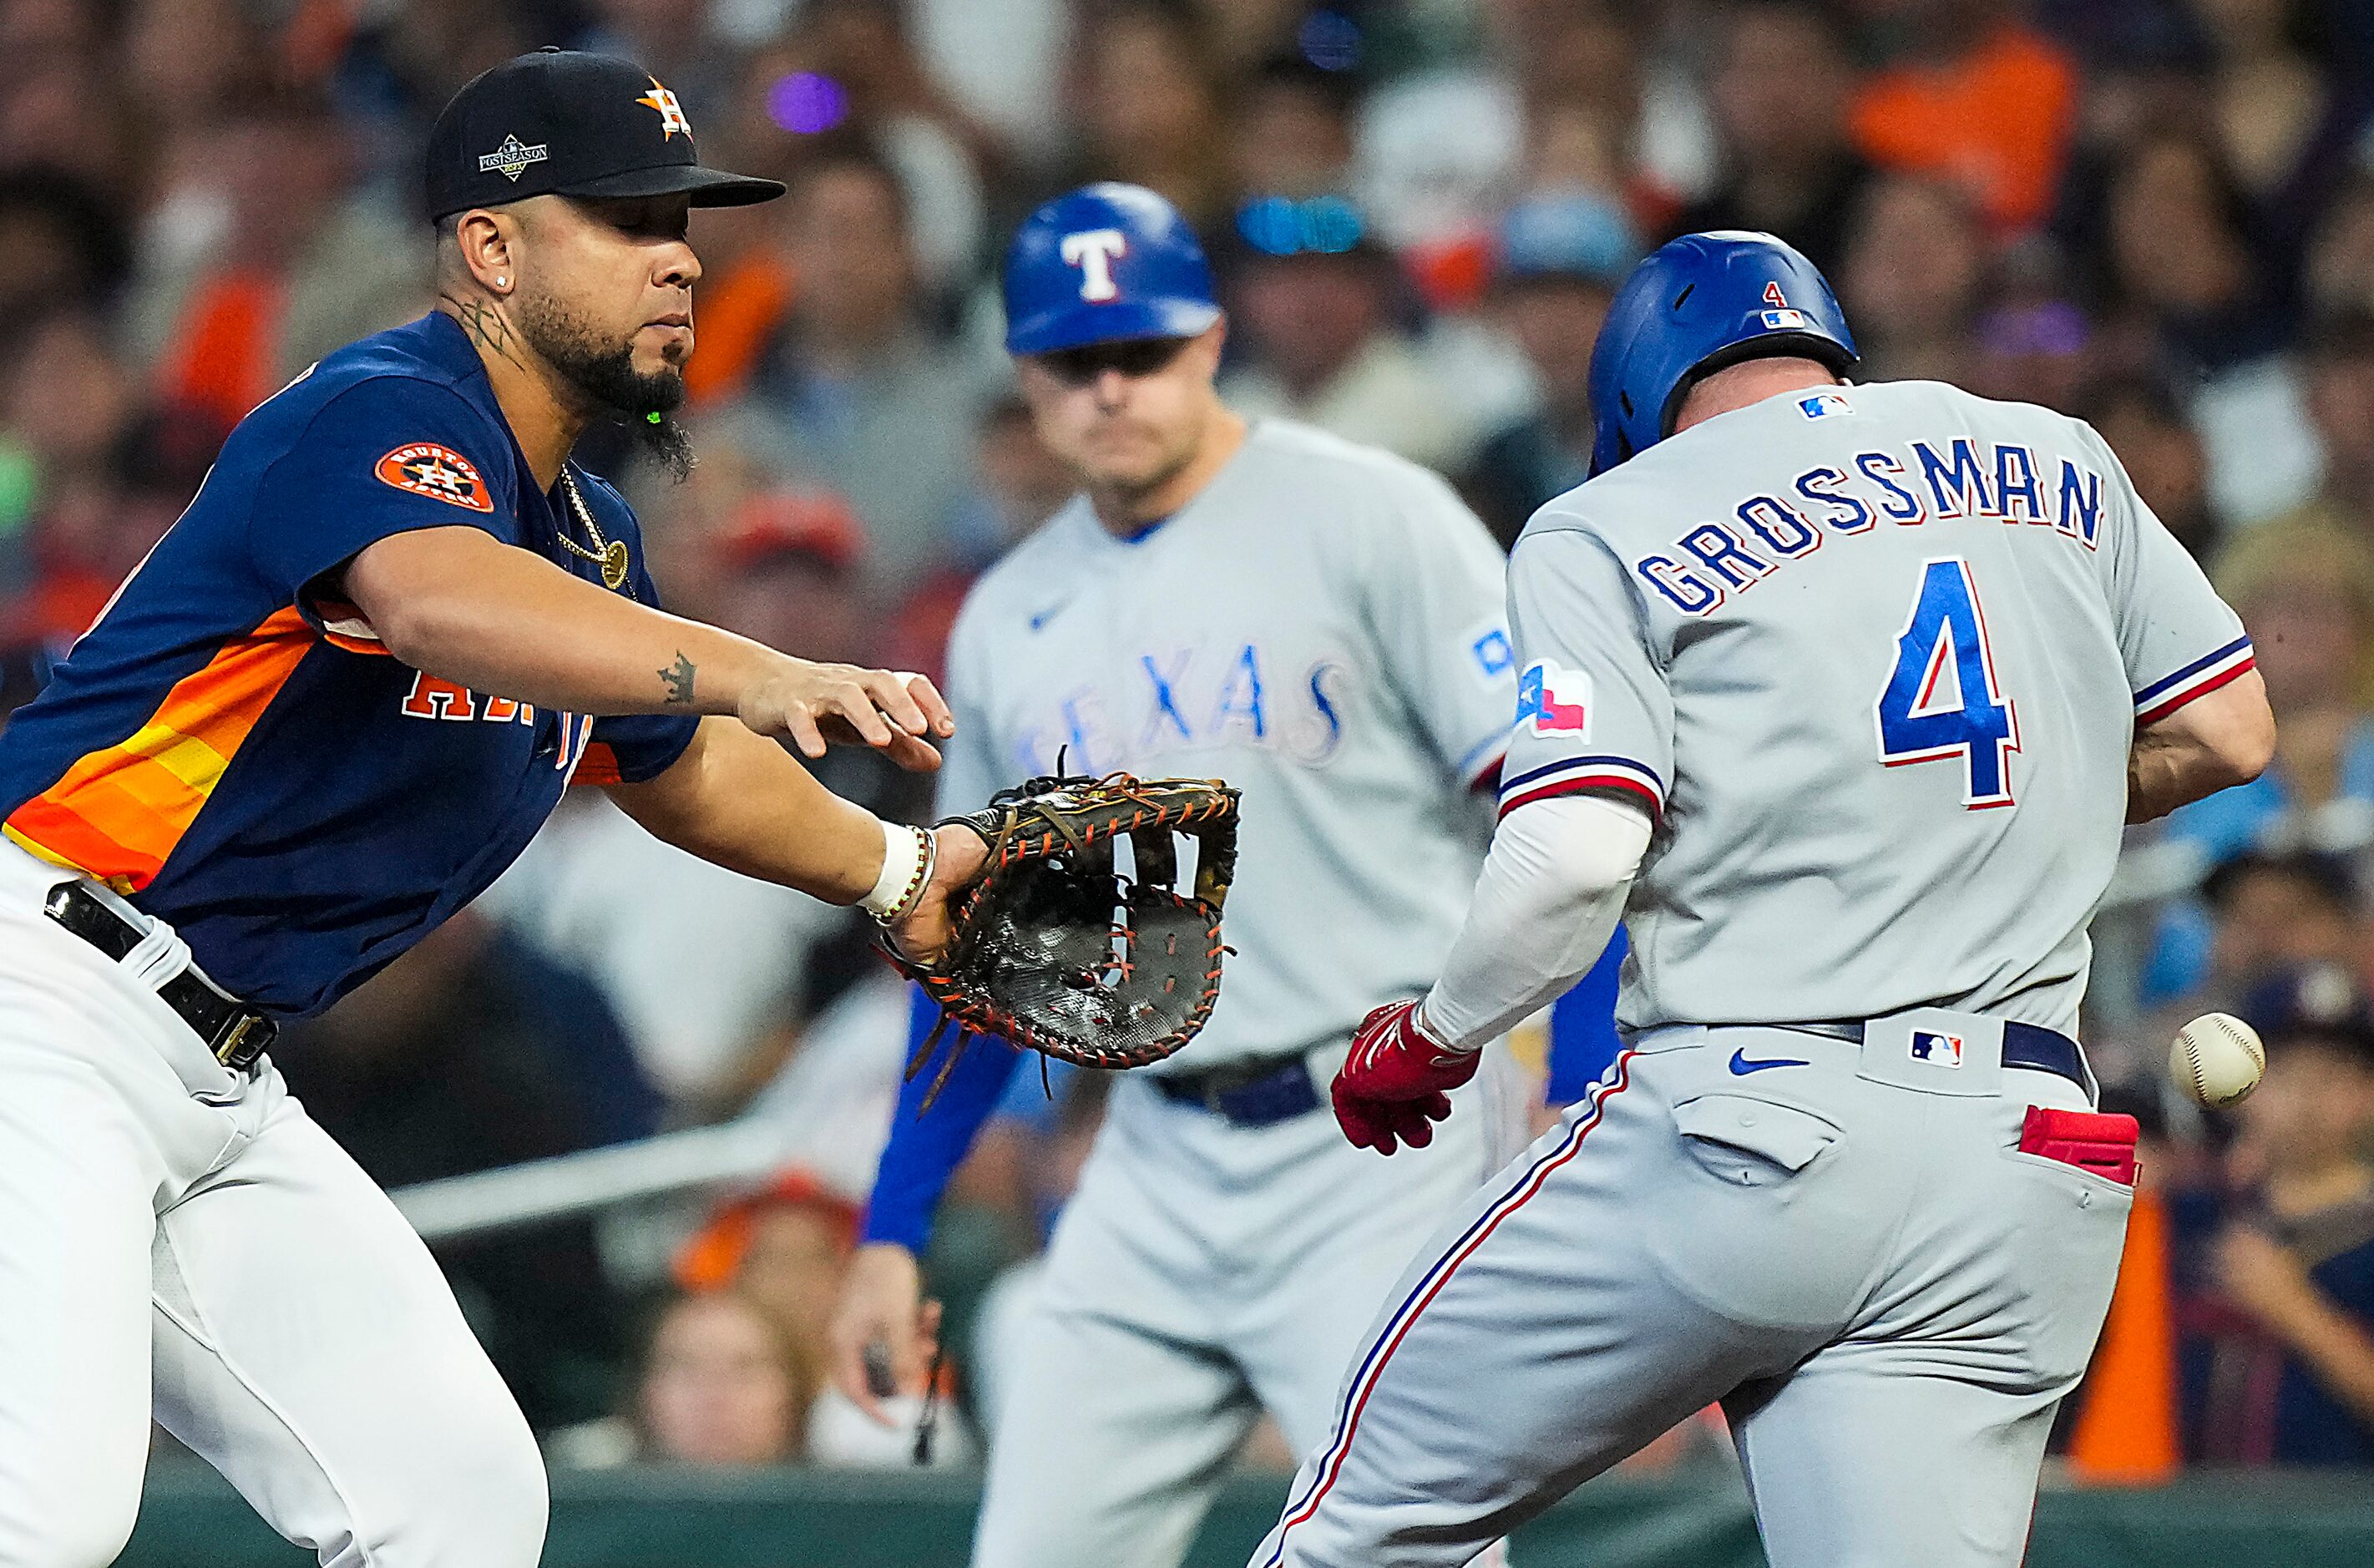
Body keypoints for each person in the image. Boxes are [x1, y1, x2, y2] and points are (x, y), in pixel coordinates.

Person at [0, 48, 982, 1567]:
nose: (680, 258)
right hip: (42, 989)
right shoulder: (375, 406)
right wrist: (753, 663)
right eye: (625, 217)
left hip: (210, 1068)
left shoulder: (580, 537)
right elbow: (436, 600)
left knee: (452, 1498)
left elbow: (677, 758)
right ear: (491, 246)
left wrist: (894, 867)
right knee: (42, 1510)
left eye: (686, 224)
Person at [1250, 230, 2275, 1567]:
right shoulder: (2051, 451)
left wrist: (1435, 1033)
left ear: (1628, 399)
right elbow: (2231, 733)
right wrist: (2003, 808)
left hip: (1751, 1132)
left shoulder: (1607, 518)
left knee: (1364, 1527)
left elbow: (1567, 857)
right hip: (2023, 1163)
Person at [828, 182, 1574, 1568]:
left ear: (1210, 339)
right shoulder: (1005, 617)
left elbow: (1562, 815)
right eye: (1073, 361)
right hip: (1150, 1159)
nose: (1111, 388)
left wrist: (1574, 1075)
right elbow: (972, 949)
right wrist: (892, 1226)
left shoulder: (1370, 516)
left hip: (1382, 1142)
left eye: (1143, 350)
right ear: (1025, 376)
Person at [2181, 964, 2374, 1465]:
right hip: (2178, 1523)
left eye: (2335, 1078)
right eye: (2285, 1075)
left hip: (2343, 1527)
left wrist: (2294, 1309)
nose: (2307, 1100)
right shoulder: (2191, 1214)